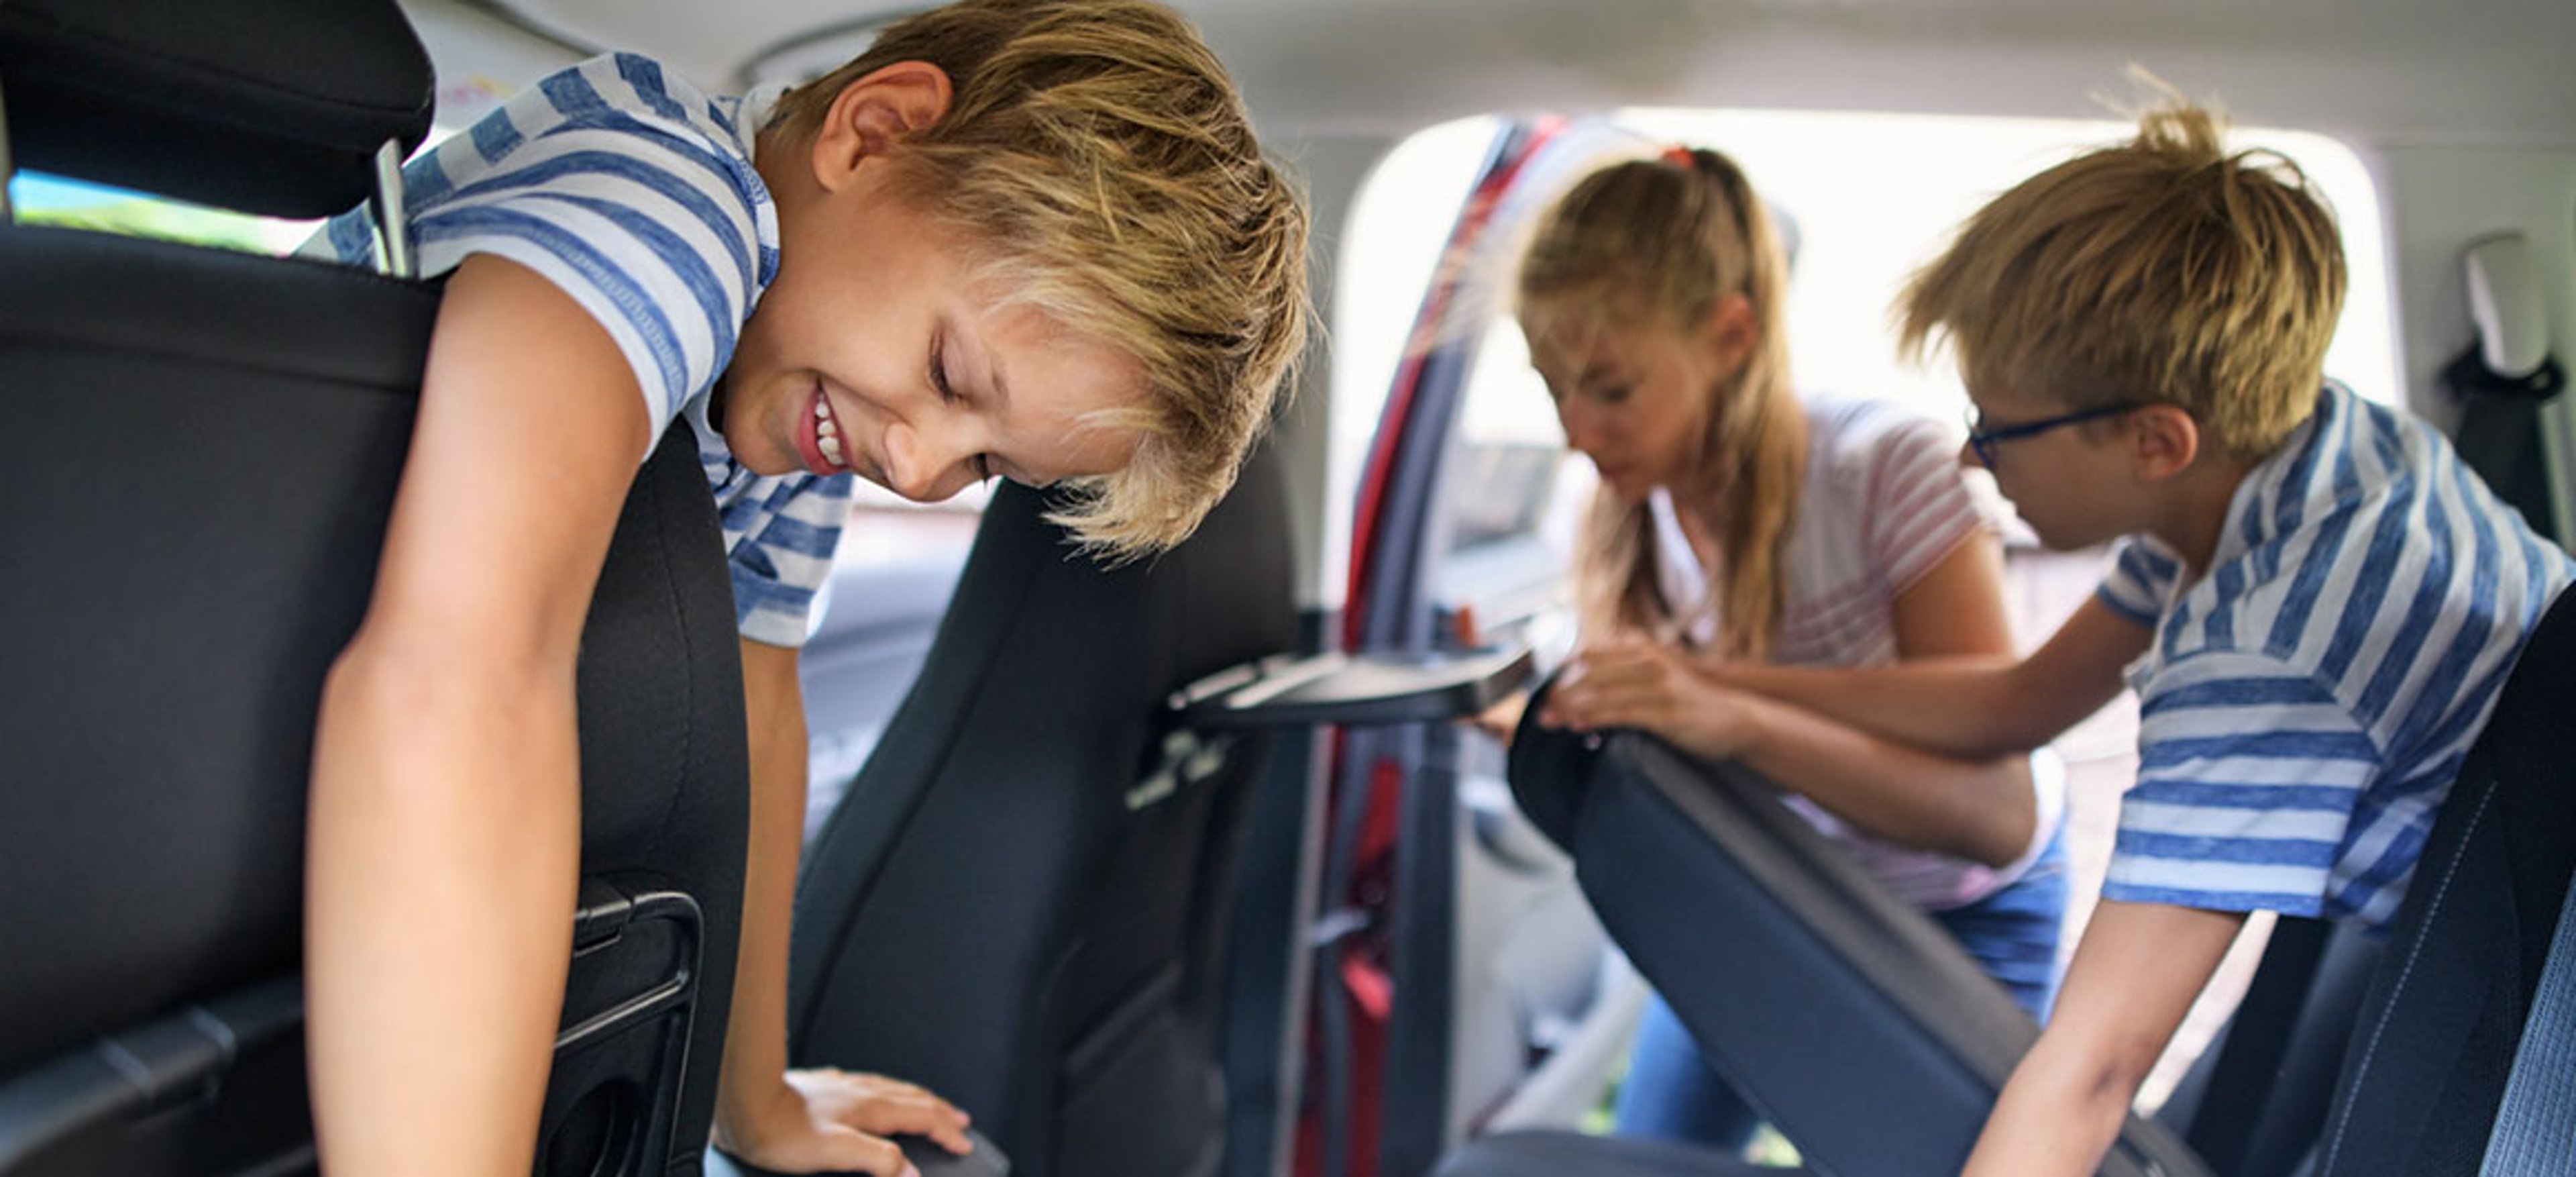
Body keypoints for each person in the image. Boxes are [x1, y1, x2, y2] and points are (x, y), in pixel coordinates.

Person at [301, 3, 1309, 1175]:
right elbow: (462, 677)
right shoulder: (676, 206)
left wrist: (756, 1101)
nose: (920, 466)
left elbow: (756, 723)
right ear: (873, 134)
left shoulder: (795, 391)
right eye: (949, 372)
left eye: (987, 466)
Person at [1696, 96, 2574, 1176]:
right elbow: (2017, 703)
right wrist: (1725, 693)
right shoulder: (2300, 454)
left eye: (1997, 429)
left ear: (2157, 440)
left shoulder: (2261, 651)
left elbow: (2096, 1067)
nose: (1972, 462)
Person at [1509, 146, 2068, 1154]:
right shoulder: (1622, 518)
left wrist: (1738, 719)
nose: (1578, 433)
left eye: (1611, 388)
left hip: (1960, 921)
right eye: (1554, 391)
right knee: (1653, 1149)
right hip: (1784, 889)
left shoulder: (1882, 470)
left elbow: (1996, 814)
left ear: (1731, 335)